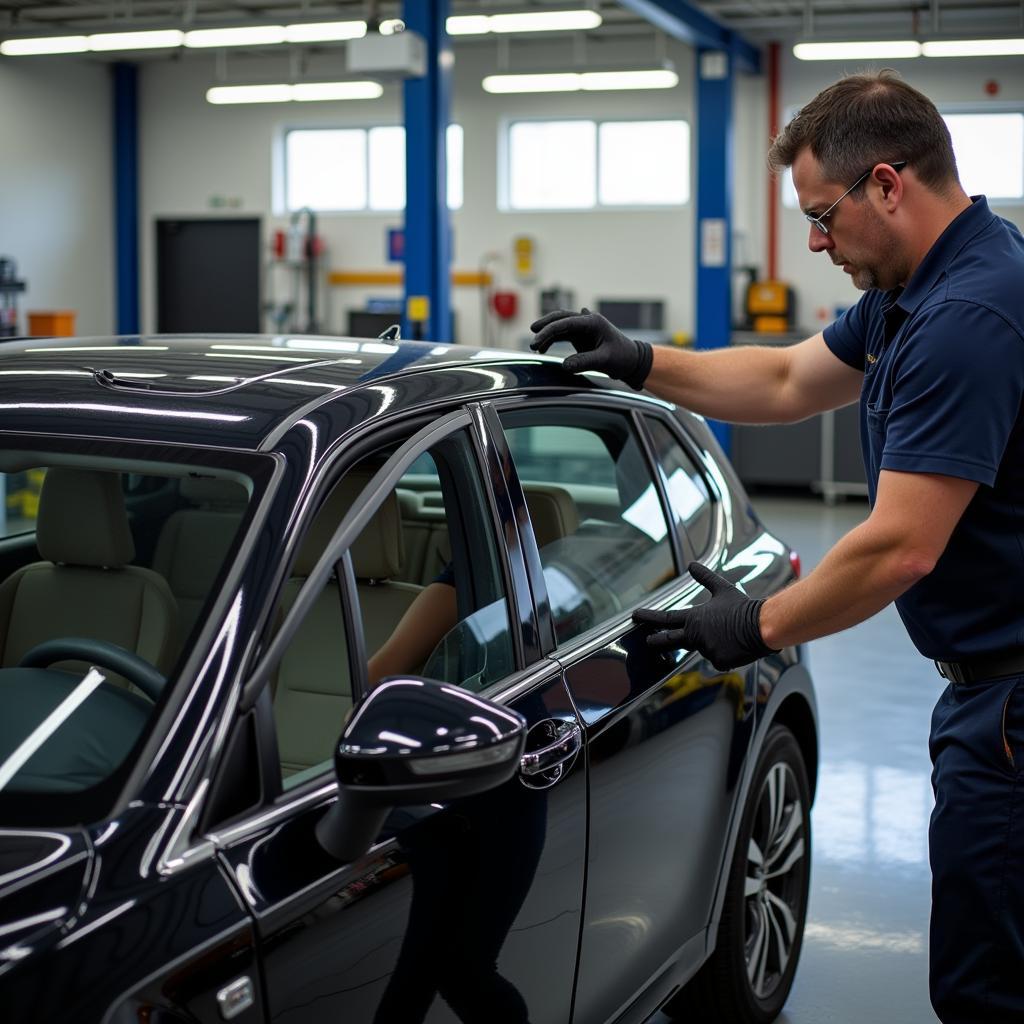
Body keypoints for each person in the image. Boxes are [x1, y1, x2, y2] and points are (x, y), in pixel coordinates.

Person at [530, 70, 1024, 1024]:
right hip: (992, 690)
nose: (814, 242)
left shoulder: (968, 318)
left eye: (822, 216)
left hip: (1010, 704)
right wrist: (641, 360)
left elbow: (898, 551)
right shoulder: (921, 286)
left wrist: (751, 625)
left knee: (988, 988)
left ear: (888, 184)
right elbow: (792, 378)